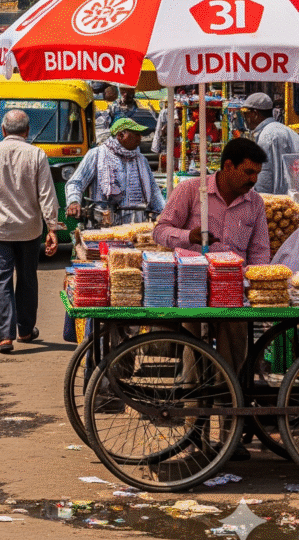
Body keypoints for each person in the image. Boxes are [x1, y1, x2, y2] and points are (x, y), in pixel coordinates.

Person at [154, 136, 270, 460]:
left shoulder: (255, 203)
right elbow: (160, 230)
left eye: (257, 173)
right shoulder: (192, 191)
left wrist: (258, 284)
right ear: (228, 166)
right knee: (195, 363)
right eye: (248, 172)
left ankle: (231, 435)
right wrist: (187, 236)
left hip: (233, 295)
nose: (253, 179)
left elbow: (260, 251)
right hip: (193, 290)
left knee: (234, 363)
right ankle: (196, 434)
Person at [0, 109, 59, 355]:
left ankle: (5, 337)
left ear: (3, 130)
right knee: (27, 279)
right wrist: (52, 227)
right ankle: (26, 330)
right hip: (29, 230)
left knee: (1, 280)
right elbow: (47, 195)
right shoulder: (37, 154)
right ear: (27, 132)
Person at [65, 117, 165, 224]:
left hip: (135, 224)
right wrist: (74, 201)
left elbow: (154, 191)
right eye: (136, 134)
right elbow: (75, 183)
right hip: (104, 224)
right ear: (120, 135)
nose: (140, 139)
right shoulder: (97, 154)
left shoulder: (141, 160)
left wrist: (164, 212)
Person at [241, 92, 299, 195]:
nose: (244, 118)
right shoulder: (281, 129)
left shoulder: (268, 135)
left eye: (246, 113)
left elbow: (265, 176)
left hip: (282, 201)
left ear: (255, 114)